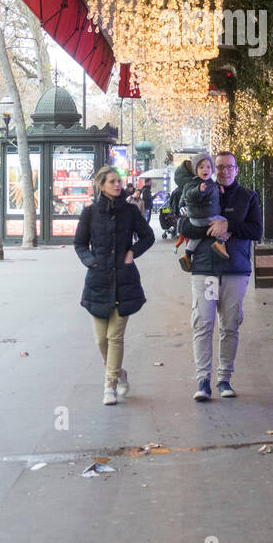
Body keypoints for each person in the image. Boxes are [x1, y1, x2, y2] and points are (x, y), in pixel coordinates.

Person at [178, 150, 262, 403]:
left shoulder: (248, 196)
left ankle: (224, 378)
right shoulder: (202, 189)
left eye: (230, 167)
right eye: (220, 166)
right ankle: (203, 380)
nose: (224, 171)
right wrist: (208, 228)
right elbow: (184, 226)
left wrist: (228, 226)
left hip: (235, 269)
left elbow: (257, 230)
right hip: (205, 269)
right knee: (203, 323)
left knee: (230, 325)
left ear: (237, 170)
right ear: (213, 168)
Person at [74, 166, 155, 405]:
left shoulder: (129, 211)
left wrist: (132, 252)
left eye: (118, 181)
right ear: (101, 185)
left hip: (124, 281)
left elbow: (148, 236)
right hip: (98, 282)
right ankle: (119, 373)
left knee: (114, 336)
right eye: (112, 182)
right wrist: (92, 262)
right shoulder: (89, 213)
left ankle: (109, 385)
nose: (117, 185)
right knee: (101, 339)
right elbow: (79, 244)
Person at [178, 153, 229, 270]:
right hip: (202, 218)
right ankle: (220, 243)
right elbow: (190, 194)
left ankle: (187, 254)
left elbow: (212, 195)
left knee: (196, 238)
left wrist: (219, 190)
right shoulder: (196, 184)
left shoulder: (211, 183)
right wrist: (198, 190)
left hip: (198, 219)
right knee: (224, 222)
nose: (205, 169)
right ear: (196, 170)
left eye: (208, 167)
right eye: (201, 167)